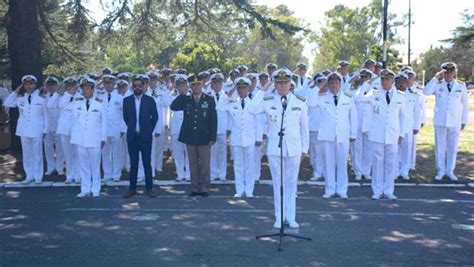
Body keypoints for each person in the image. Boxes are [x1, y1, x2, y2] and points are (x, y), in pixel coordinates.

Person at [248, 68, 309, 229]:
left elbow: (305, 128)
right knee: (278, 184)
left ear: (291, 84)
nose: (282, 86)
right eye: (279, 83)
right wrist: (263, 89)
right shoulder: (268, 100)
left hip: (294, 148)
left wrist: (305, 149)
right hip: (276, 148)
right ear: (275, 84)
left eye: (285, 82)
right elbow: (251, 109)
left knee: (291, 184)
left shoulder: (300, 102)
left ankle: (291, 216)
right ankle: (279, 216)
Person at [361, 69, 407, 200]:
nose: (384, 81)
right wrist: (367, 83)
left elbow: (403, 117)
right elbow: (357, 98)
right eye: (382, 79)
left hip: (393, 134)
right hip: (377, 135)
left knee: (391, 164)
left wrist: (401, 134)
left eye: (387, 79)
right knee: (377, 164)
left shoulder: (400, 96)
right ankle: (377, 190)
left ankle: (388, 190)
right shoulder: (374, 94)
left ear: (393, 81)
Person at [170, 74, 217, 197]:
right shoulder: (186, 99)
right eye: (193, 85)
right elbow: (173, 107)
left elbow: (213, 119)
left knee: (205, 164)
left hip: (204, 137)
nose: (196, 87)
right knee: (193, 163)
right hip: (190, 137)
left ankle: (205, 187)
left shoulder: (209, 99)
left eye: (198, 84)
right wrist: (182, 93)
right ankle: (195, 187)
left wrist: (213, 137)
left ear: (201, 85)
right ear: (190, 86)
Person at [314, 72, 357, 199]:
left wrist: (353, 133)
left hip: (343, 135)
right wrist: (319, 87)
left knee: (342, 164)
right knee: (329, 164)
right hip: (328, 135)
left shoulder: (348, 97)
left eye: (336, 82)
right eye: (331, 83)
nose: (334, 85)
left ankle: (342, 190)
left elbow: (353, 117)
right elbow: (310, 102)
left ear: (340, 84)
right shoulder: (321, 98)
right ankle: (330, 189)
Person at [218, 77, 263, 198]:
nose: (241, 90)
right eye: (239, 88)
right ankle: (239, 190)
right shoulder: (232, 103)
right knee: (238, 166)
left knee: (250, 165)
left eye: (244, 87)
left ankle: (249, 191)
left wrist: (259, 138)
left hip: (250, 138)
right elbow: (219, 106)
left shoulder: (253, 103)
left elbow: (259, 121)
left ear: (248, 88)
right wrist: (230, 91)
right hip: (236, 139)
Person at [423, 62, 469, 181]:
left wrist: (464, 120)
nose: (448, 74)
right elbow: (426, 91)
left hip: (455, 121)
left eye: (450, 72)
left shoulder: (461, 86)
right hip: (440, 120)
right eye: (445, 72)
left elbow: (465, 104)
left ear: (454, 73)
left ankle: (450, 170)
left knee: (453, 147)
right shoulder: (438, 84)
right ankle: (441, 170)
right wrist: (435, 78)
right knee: (440, 146)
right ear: (442, 72)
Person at [5, 75, 48, 184]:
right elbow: (7, 103)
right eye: (26, 84)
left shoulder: (41, 98)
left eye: (31, 84)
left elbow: (46, 116)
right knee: (27, 154)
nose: (29, 86)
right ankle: (29, 175)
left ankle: (38, 177)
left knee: (37, 154)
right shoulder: (20, 97)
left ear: (34, 85)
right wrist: (16, 90)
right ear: (23, 85)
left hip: (37, 129)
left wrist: (45, 130)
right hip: (24, 129)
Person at [122, 75, 159, 198]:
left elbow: (155, 118)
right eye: (135, 86)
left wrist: (148, 130)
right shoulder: (126, 101)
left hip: (145, 137)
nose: (137, 88)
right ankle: (132, 188)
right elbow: (126, 118)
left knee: (147, 162)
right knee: (133, 163)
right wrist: (133, 129)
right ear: (132, 87)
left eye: (140, 85)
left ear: (144, 86)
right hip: (133, 137)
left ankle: (149, 188)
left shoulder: (150, 100)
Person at [70, 78, 107, 197]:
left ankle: (95, 188)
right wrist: (71, 92)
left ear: (92, 89)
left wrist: (103, 138)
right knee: (83, 166)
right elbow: (65, 108)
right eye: (83, 88)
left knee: (95, 166)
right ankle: (85, 189)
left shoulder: (100, 103)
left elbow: (104, 123)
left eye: (87, 88)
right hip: (80, 138)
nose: (85, 90)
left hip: (94, 138)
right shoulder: (76, 102)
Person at [48, 77, 82, 183]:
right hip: (64, 130)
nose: (70, 88)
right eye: (68, 86)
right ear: (65, 87)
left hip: (76, 129)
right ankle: (69, 175)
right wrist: (64, 93)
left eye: (72, 85)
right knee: (67, 154)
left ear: (76, 86)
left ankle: (77, 175)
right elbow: (50, 105)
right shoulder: (60, 97)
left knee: (77, 154)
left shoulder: (81, 97)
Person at [395, 73, 421, 180]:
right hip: (395, 127)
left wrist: (416, 126)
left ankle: (404, 171)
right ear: (395, 83)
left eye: (403, 82)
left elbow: (417, 112)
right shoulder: (392, 95)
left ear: (407, 83)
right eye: (399, 82)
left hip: (408, 127)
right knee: (395, 151)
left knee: (407, 150)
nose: (401, 84)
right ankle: (395, 171)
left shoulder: (413, 95)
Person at [99, 74, 124, 182]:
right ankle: (107, 174)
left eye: (110, 83)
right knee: (105, 153)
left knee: (116, 153)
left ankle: (116, 174)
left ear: (114, 84)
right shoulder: (99, 98)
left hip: (116, 129)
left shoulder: (120, 97)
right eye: (106, 83)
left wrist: (123, 129)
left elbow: (124, 115)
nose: (108, 85)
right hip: (103, 130)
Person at [169, 74, 191, 182]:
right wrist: (180, 95)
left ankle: (188, 174)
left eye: (183, 85)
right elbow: (171, 106)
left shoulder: (192, 96)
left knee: (188, 152)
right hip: (176, 128)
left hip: (188, 128)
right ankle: (180, 173)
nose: (181, 87)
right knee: (178, 153)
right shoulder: (171, 95)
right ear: (176, 86)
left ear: (187, 86)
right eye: (179, 85)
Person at [209, 73, 229, 181]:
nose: (217, 85)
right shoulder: (207, 96)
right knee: (212, 152)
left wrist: (228, 128)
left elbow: (229, 113)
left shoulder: (227, 96)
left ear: (222, 84)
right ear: (212, 84)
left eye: (219, 83)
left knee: (222, 153)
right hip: (211, 129)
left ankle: (222, 174)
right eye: (215, 83)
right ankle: (213, 173)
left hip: (222, 128)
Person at [43, 76, 64, 176]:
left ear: (57, 86)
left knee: (60, 148)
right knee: (48, 148)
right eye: (49, 85)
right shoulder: (42, 97)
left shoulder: (61, 97)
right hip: (47, 127)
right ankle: (50, 167)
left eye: (53, 85)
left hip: (58, 126)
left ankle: (59, 167)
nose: (51, 87)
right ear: (46, 86)